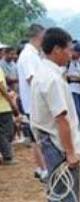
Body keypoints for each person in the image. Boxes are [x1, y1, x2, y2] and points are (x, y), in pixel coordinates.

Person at [31, 27, 80, 202]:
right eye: (67, 49)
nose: (70, 53)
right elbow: (61, 119)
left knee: (58, 187)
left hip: (48, 139)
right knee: (64, 187)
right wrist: (70, 151)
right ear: (56, 50)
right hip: (55, 141)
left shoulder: (45, 73)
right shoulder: (52, 79)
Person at [17, 23, 47, 182]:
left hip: (34, 103)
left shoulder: (34, 54)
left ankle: (40, 167)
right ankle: (43, 170)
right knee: (37, 139)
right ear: (38, 36)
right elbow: (32, 79)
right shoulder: (29, 55)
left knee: (37, 138)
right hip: (34, 103)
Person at [66, 42, 80, 134]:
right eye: (78, 53)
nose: (79, 56)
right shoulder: (67, 61)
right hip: (72, 89)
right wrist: (76, 77)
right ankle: (77, 131)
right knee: (77, 111)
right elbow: (65, 75)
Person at [0, 57, 19, 165]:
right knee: (7, 132)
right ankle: (7, 156)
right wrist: (11, 102)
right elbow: (1, 86)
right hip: (2, 106)